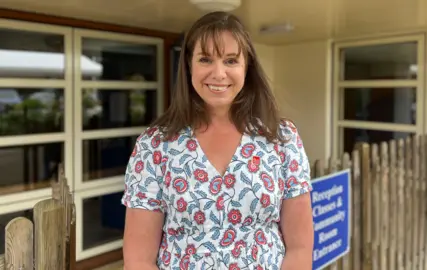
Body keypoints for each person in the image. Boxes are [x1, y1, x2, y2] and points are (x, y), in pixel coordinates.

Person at [121, 11, 314, 270]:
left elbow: (300, 248)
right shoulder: (155, 146)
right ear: (189, 65)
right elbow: (138, 260)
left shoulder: (282, 138)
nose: (219, 73)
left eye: (231, 60)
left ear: (247, 67)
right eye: (206, 59)